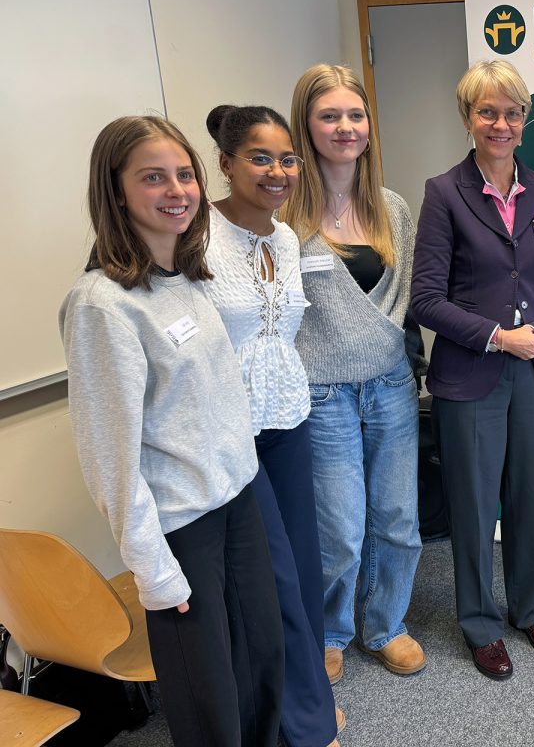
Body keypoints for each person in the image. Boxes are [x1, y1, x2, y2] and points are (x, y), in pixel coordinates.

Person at [60, 116, 283, 745]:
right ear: (116, 190)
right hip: (181, 527)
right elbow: (110, 454)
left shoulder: (186, 277)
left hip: (237, 503)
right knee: (209, 694)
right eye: (153, 177)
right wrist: (152, 568)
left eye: (184, 174)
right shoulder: (103, 304)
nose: (177, 190)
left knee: (262, 664)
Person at [410, 60, 534, 680]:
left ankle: (530, 608)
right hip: (471, 377)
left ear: (524, 120)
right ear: (467, 119)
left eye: (511, 113)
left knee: (531, 497)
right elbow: (425, 298)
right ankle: (480, 623)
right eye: (488, 112)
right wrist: (496, 337)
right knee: (477, 506)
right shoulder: (442, 193)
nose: (500, 123)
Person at [203, 104, 343, 744]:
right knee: (273, 580)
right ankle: (306, 725)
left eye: (287, 158)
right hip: (230, 432)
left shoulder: (285, 238)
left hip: (289, 418)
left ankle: (307, 689)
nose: (278, 170)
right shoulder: (194, 237)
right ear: (226, 163)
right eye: (260, 157)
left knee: (305, 569)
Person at [280, 64, 424, 683]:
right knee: (339, 528)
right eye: (329, 116)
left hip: (389, 386)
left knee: (398, 519)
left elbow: (407, 300)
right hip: (322, 393)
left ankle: (385, 624)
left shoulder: (391, 207)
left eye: (355, 115)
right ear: (305, 126)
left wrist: (409, 369)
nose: (345, 127)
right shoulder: (285, 214)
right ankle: (332, 629)